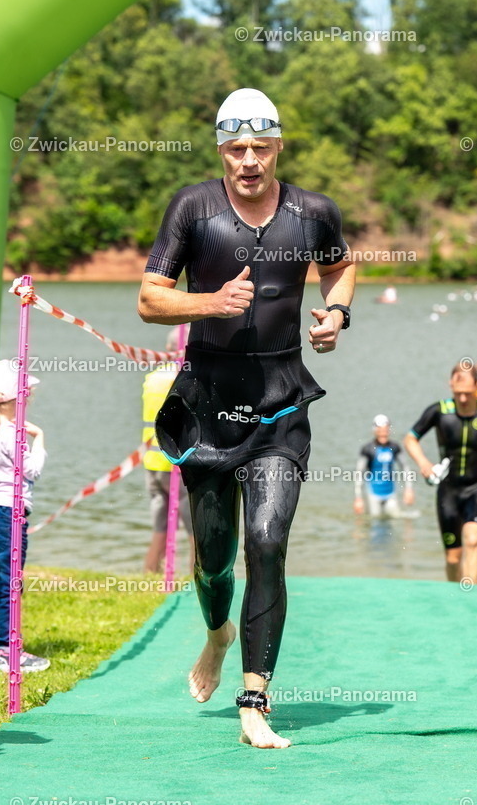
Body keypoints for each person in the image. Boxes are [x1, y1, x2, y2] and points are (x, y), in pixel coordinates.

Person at [137, 87, 355, 749]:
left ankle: (254, 697)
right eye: (236, 148)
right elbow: (149, 300)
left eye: (261, 146)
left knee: (267, 541)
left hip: (280, 404)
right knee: (214, 561)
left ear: (279, 146)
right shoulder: (193, 208)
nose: (249, 160)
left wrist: (337, 314)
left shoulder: (312, 212)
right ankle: (216, 633)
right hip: (204, 408)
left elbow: (341, 267)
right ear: (221, 150)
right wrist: (209, 303)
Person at [403, 361, 477, 584]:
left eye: (467, 393)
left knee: (473, 541)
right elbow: (410, 438)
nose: (463, 399)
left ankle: (471, 597)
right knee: (453, 558)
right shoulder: (438, 411)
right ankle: (454, 596)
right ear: (450, 385)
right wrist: (424, 463)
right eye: (458, 393)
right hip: (448, 491)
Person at [0, 359, 50, 672]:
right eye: (26, 393)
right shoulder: (13, 434)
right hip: (8, 512)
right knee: (10, 581)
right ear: (15, 399)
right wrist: (40, 439)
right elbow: (31, 471)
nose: (30, 398)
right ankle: (9, 650)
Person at [143, 327, 194, 573]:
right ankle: (197, 580)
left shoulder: (152, 377)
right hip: (177, 463)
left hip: (152, 463)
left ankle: (149, 575)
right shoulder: (186, 379)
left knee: (160, 529)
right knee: (196, 530)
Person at [354, 414, 414, 518]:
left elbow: (405, 467)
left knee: (397, 519)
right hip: (373, 494)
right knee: (375, 521)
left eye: (385, 431)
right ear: (375, 431)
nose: (383, 434)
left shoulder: (394, 447)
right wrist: (358, 498)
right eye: (380, 431)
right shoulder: (367, 449)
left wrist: (408, 489)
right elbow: (359, 473)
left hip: (391, 493)